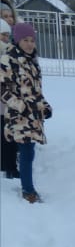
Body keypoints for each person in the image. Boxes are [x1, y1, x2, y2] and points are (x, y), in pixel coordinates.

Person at [0, 22, 52, 203]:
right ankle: (28, 190)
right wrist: (20, 105)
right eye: (25, 40)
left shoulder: (32, 61)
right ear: (17, 40)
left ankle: (26, 185)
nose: (30, 44)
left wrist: (45, 106)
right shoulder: (9, 60)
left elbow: (35, 90)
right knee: (26, 149)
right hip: (19, 116)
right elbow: (2, 89)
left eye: (32, 40)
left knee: (29, 151)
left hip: (33, 115)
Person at [0, 18, 19, 178]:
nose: (6, 38)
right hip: (4, 99)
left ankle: (9, 166)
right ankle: (7, 167)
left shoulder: (9, 52)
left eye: (7, 35)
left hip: (8, 101)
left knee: (8, 135)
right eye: (3, 35)